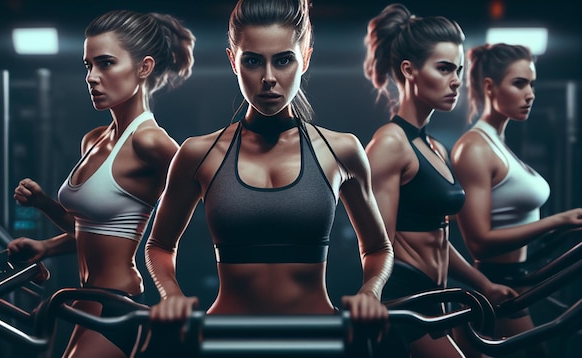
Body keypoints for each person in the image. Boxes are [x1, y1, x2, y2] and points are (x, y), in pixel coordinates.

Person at [144, 0, 393, 349]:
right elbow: (159, 245)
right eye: (252, 61)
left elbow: (379, 248)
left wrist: (371, 291)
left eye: (283, 59)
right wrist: (170, 295)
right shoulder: (198, 153)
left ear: (305, 58)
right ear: (233, 61)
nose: (268, 79)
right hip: (224, 342)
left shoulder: (341, 150)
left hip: (319, 341)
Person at [7, 9, 195, 358]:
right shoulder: (94, 139)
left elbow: (210, 197)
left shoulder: (152, 142)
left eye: (105, 64)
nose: (91, 77)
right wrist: (45, 240)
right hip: (86, 297)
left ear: (144, 68)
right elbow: (91, 230)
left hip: (117, 302)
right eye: (88, 65)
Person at [362, 4, 517, 357]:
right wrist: (376, 298)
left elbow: (438, 238)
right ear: (409, 70)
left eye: (459, 70)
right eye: (444, 68)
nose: (456, 81)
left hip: (440, 296)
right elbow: (376, 245)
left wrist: (484, 285)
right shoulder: (389, 144)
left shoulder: (435, 148)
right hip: (405, 302)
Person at [450, 43, 582, 357]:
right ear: (489, 87)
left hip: (518, 282)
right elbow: (479, 242)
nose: (530, 94)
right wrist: (559, 220)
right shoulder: (474, 149)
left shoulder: (498, 143)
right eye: (519, 83)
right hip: (494, 288)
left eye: (532, 84)